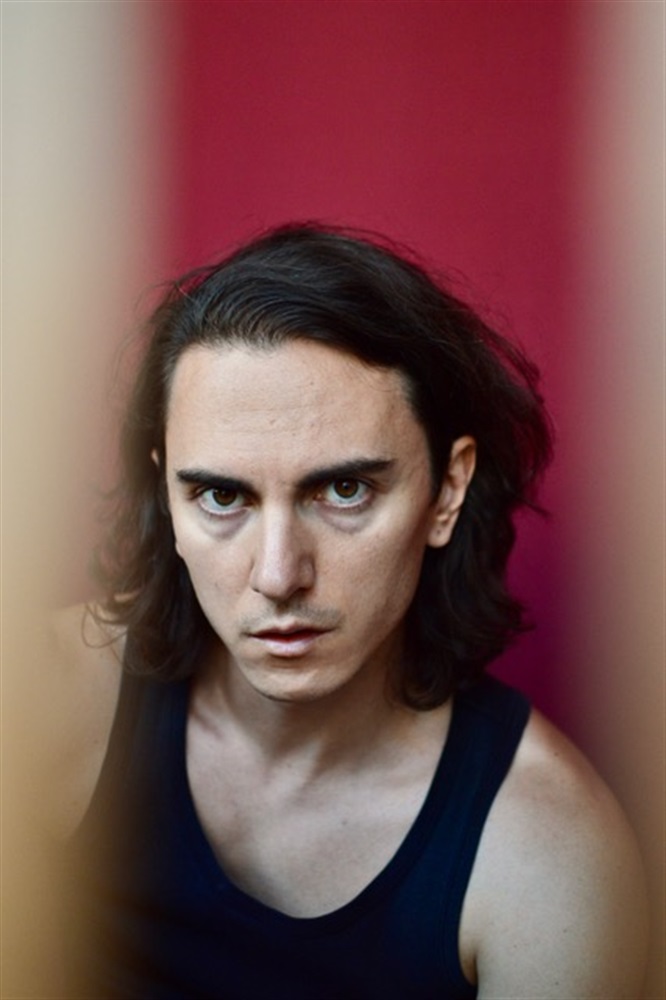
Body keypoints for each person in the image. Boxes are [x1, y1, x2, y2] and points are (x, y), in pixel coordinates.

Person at [44, 224, 647, 998]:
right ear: (167, 493)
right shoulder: (47, 701)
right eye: (222, 496)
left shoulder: (546, 857)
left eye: (344, 490)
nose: (277, 575)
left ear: (448, 489)